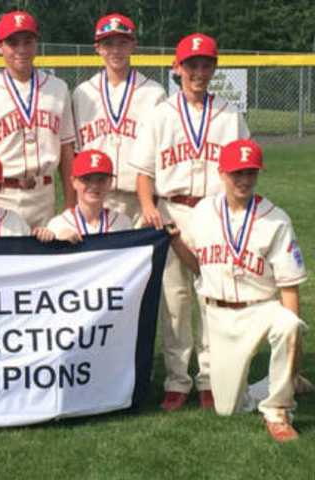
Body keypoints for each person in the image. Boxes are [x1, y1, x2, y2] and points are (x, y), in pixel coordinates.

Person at [129, 33, 250, 411]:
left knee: (212, 298)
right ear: (176, 68)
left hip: (215, 212)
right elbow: (143, 172)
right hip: (172, 209)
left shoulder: (229, 114)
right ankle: (178, 379)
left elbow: (243, 168)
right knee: (176, 301)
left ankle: (211, 378)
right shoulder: (160, 114)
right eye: (191, 64)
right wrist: (149, 206)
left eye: (206, 64)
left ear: (213, 68)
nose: (199, 71)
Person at [167, 139, 307, 442]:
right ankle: (282, 381)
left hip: (261, 308)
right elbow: (198, 266)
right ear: (221, 173)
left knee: (289, 325)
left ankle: (279, 410)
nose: (244, 180)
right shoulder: (203, 212)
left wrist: (294, 346)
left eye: (251, 173)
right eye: (237, 173)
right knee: (228, 409)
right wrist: (177, 242)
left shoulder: (275, 219)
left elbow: (290, 288)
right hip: (218, 315)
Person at [0, 10, 76, 228]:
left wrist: (69, 205)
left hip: (44, 194)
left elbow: (67, 151)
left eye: (27, 41)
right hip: (1, 196)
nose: (21, 49)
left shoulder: (58, 89)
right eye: (13, 43)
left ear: (36, 44)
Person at [72, 13, 166, 224]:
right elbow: (76, 151)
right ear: (97, 48)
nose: (115, 50)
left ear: (134, 45)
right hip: (94, 197)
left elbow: (159, 154)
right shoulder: (83, 93)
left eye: (122, 43)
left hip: (138, 198)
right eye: (108, 44)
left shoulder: (153, 93)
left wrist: (151, 201)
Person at [38, 149, 132, 243]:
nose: (94, 185)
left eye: (101, 179)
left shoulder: (122, 223)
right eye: (86, 179)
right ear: (74, 182)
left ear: (110, 182)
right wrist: (58, 242)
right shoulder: (58, 224)